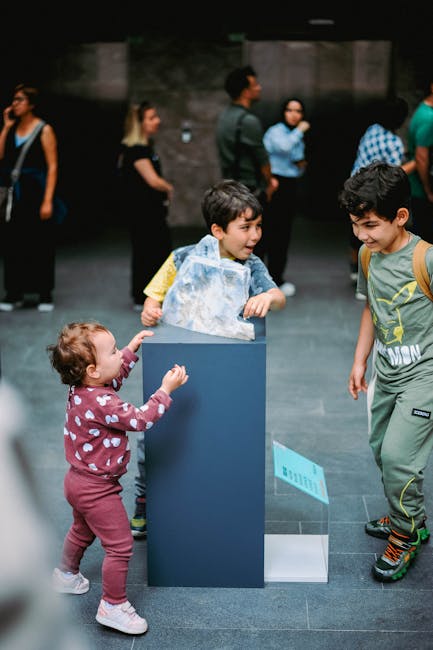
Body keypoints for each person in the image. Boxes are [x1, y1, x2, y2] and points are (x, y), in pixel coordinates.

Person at [129, 180, 286, 537]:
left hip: (227, 364)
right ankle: (144, 499)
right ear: (218, 230)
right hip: (181, 360)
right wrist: (151, 308)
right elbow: (155, 294)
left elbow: (278, 295)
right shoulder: (184, 258)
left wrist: (268, 299)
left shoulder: (254, 266)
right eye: (245, 227)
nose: (255, 235)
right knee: (157, 433)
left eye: (258, 226)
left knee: (218, 430)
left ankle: (216, 492)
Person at [47, 321, 188, 635]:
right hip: (97, 489)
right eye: (113, 352)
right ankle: (113, 605)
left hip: (77, 481)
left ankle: (66, 574)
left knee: (82, 529)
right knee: (121, 546)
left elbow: (112, 378)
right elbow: (139, 419)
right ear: (93, 370)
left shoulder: (84, 389)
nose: (119, 357)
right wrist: (165, 391)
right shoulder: (103, 402)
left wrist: (129, 350)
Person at [339, 161, 433, 582]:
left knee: (398, 458)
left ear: (400, 217)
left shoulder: (426, 259)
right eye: (356, 224)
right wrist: (360, 360)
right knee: (383, 451)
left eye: (371, 225)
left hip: (424, 376)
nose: (362, 234)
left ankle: (406, 532)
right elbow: (371, 308)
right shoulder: (368, 254)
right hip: (387, 374)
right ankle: (410, 514)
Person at [348, 96, 415, 300]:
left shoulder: (372, 129)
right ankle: (369, 280)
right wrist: (415, 164)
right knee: (374, 234)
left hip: (355, 185)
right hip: (373, 193)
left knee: (357, 234)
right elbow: (393, 174)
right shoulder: (393, 142)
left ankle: (356, 272)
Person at [0, 83, 59, 312]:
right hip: (15, 193)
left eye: (19, 100)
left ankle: (44, 293)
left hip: (36, 192)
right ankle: (14, 292)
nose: (14, 104)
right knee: (14, 242)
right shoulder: (12, 128)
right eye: (14, 100)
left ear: (31, 104)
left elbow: (53, 166)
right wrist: (5, 128)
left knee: (39, 242)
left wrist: (48, 200)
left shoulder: (44, 129)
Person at [215, 65, 278, 258]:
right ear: (245, 91)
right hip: (251, 191)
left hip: (231, 189)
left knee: (235, 245)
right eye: (255, 84)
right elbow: (262, 159)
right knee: (255, 244)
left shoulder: (224, 117)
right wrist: (270, 183)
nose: (259, 88)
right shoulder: (248, 121)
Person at [118, 101, 174, 311]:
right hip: (144, 212)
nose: (157, 121)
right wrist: (168, 187)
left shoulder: (142, 148)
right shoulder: (137, 150)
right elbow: (153, 180)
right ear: (139, 123)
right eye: (151, 117)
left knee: (151, 251)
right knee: (150, 252)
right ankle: (146, 297)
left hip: (148, 211)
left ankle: (148, 295)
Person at [263, 97, 310, 297]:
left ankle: (276, 278)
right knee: (266, 232)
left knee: (283, 234)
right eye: (290, 110)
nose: (294, 114)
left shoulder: (295, 135)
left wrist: (301, 167)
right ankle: (260, 279)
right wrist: (301, 130)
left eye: (298, 111)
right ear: (283, 112)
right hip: (273, 183)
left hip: (289, 184)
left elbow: (297, 161)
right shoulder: (276, 131)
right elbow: (283, 147)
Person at [407, 75, 433, 243]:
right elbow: (421, 158)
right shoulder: (429, 118)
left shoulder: (425, 111)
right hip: (423, 191)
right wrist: (429, 191)